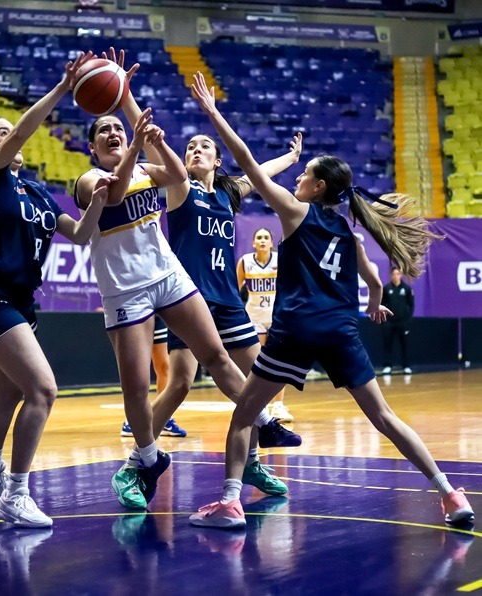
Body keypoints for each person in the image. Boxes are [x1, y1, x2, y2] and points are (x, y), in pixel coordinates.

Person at [186, 71, 474, 529]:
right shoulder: (347, 231)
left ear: (318, 187)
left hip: (297, 328)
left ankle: (230, 503)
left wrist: (213, 113)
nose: (299, 178)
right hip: (340, 330)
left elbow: (245, 161)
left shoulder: (295, 211)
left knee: (244, 416)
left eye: (304, 174)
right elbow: (374, 277)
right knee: (384, 417)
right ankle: (450, 494)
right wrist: (374, 302)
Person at [76, 50, 300, 511]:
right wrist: (129, 108)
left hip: (208, 293)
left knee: (241, 371)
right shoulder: (165, 187)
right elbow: (126, 182)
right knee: (171, 384)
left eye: (204, 147)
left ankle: (255, 445)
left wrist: (292, 157)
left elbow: (250, 173)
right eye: (190, 146)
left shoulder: (222, 192)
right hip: (151, 290)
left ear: (217, 162)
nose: (195, 151)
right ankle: (141, 459)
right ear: (93, 147)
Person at [0, 50, 113, 528]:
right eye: (2, 133)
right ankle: (16, 493)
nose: (12, 137)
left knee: (8, 393)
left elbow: (80, 235)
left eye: (11, 132)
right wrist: (64, 88)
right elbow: (24, 131)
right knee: (43, 390)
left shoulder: (39, 192)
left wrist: (99, 201)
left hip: (20, 303)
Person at [237, 228, 291, 423]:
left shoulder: (280, 260)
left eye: (266, 237)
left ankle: (278, 405)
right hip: (254, 317)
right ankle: (258, 404)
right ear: (253, 243)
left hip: (276, 316)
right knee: (257, 362)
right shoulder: (245, 262)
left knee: (279, 359)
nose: (262, 240)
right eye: (258, 237)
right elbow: (235, 289)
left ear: (271, 243)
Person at [120, 317, 187, 439]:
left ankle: (165, 418)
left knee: (164, 365)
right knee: (138, 365)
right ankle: (133, 419)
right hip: (137, 312)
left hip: (159, 313)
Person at [381, 266, 414, 375]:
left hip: (402, 322)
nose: (395, 276)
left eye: (397, 274)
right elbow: (382, 304)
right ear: (391, 275)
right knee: (387, 344)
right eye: (394, 274)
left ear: (401, 275)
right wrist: (385, 320)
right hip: (389, 322)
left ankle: (406, 366)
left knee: (405, 344)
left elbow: (411, 305)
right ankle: (387, 366)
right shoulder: (386, 289)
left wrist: (407, 320)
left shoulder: (406, 289)